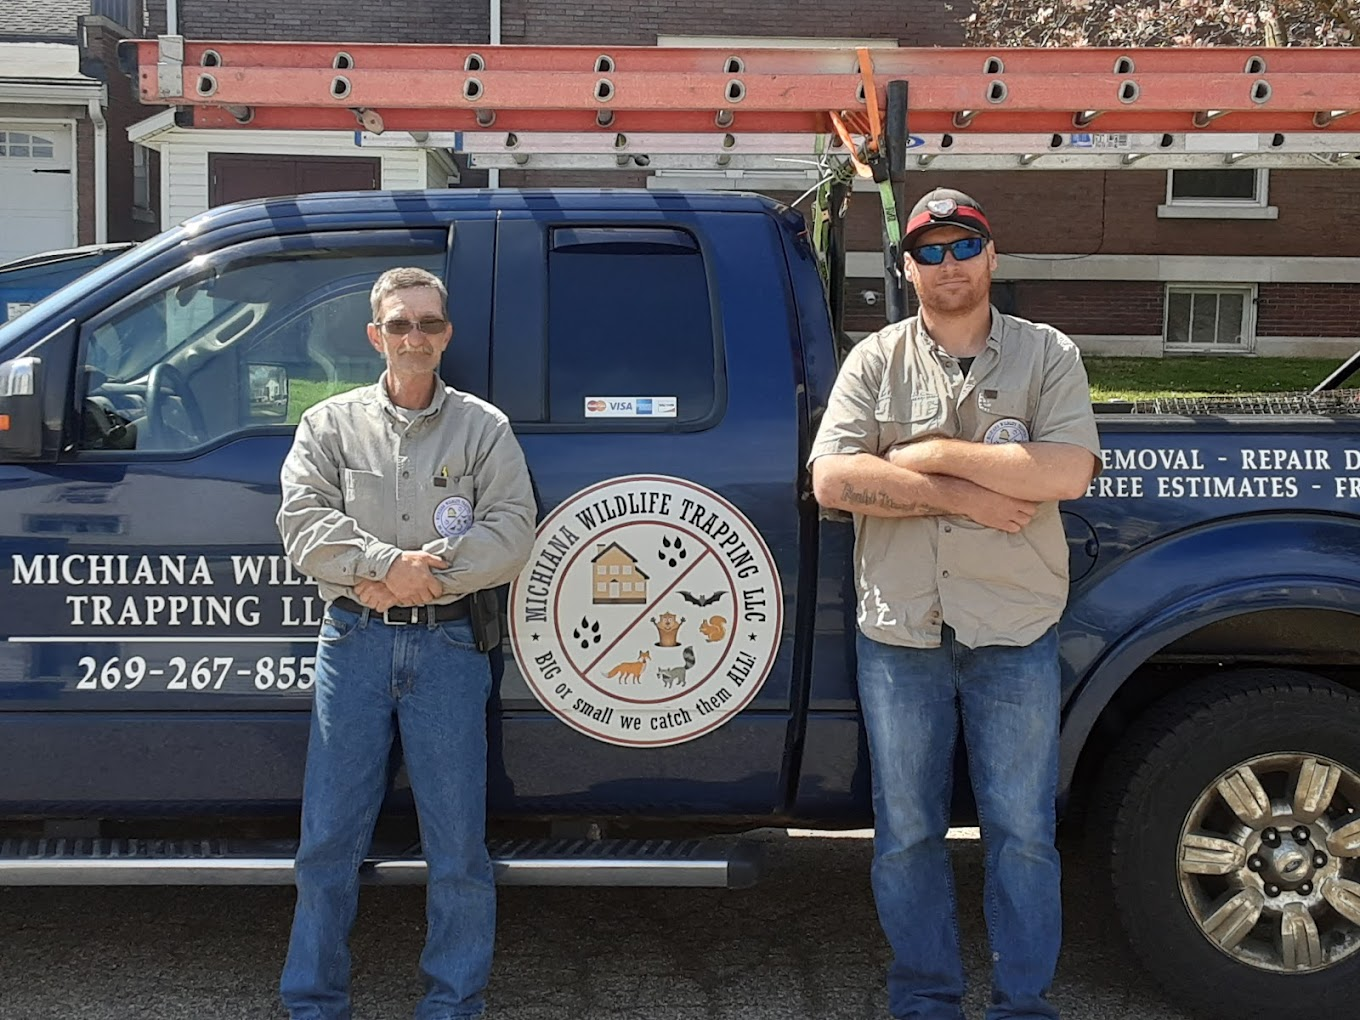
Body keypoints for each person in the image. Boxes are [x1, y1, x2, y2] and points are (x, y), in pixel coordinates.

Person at [808, 189, 1102, 1020]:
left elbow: (1065, 473)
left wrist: (927, 452)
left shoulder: (1048, 355)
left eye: (963, 246)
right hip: (902, 631)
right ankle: (926, 999)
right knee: (905, 837)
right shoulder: (874, 361)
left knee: (1023, 837)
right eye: (929, 252)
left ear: (991, 256)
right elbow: (832, 478)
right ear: (907, 269)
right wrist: (967, 497)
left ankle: (1021, 1005)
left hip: (1014, 630)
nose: (949, 265)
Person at [276, 266, 536, 1020]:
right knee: (327, 844)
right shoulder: (329, 425)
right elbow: (302, 525)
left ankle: (452, 1004)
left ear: (447, 334)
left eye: (428, 324)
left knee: (457, 851)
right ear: (375, 336)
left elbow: (513, 531)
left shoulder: (483, 427)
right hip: (351, 645)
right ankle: (313, 1003)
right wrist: (383, 568)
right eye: (399, 325)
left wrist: (425, 578)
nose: (414, 337)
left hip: (450, 651)